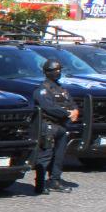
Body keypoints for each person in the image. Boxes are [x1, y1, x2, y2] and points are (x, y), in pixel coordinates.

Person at [34, 58, 80, 194]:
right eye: (55, 70)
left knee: (59, 156)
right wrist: (67, 113)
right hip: (48, 126)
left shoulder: (61, 89)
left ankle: (55, 180)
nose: (58, 72)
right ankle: (40, 184)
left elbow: (71, 102)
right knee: (45, 155)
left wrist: (75, 111)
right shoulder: (42, 90)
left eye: (59, 70)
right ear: (47, 72)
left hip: (62, 126)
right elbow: (49, 108)